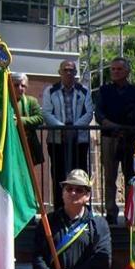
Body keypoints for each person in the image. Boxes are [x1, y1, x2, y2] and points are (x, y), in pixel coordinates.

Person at [96, 57, 135, 224]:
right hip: (110, 138)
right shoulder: (104, 91)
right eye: (113, 69)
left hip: (131, 139)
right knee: (110, 176)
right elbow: (99, 115)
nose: (115, 72)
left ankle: (131, 212)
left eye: (119, 69)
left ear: (127, 71)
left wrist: (131, 130)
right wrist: (114, 127)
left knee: (131, 177)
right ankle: (111, 212)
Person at [41, 59, 94, 207]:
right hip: (57, 139)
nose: (68, 73)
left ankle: (81, 206)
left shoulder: (84, 91)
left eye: (71, 70)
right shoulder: (50, 91)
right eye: (65, 70)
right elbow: (46, 112)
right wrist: (62, 128)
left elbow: (89, 112)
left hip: (79, 139)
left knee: (80, 173)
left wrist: (74, 128)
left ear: (76, 73)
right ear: (60, 72)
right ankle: (59, 208)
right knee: (58, 173)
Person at [10, 72, 45, 166]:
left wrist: (19, 120)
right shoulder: (2, 101)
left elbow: (40, 118)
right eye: (16, 85)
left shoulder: (31, 101)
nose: (20, 88)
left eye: (23, 86)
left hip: (27, 144)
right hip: (9, 144)